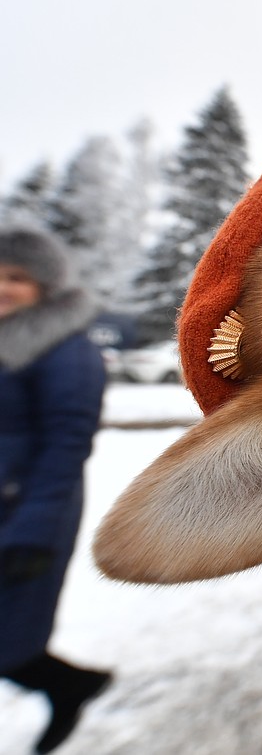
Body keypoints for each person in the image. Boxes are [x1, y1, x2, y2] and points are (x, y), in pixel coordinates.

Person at [0, 226, 111, 754]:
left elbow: (68, 439)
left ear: (44, 285)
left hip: (28, 508)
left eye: (16, 277)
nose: (2, 286)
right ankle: (71, 684)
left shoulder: (66, 349)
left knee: (9, 635)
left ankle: (68, 687)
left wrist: (34, 528)